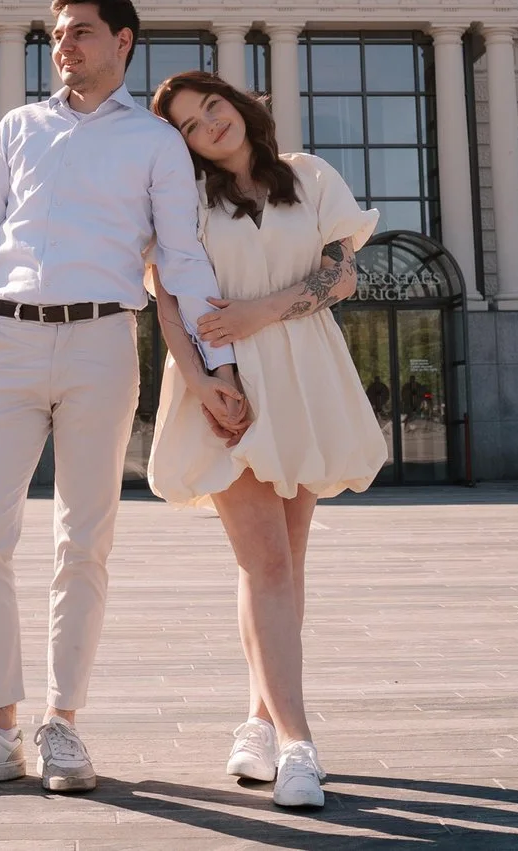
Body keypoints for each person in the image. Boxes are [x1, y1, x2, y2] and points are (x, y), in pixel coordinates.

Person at [0, 0, 250, 796]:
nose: (64, 45)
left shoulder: (155, 142)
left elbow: (183, 258)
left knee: (83, 539)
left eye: (82, 33)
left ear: (123, 41)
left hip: (103, 339)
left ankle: (62, 724)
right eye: (58, 34)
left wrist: (216, 365)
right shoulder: (18, 128)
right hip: (12, 342)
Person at [144, 69, 390, 811]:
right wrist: (200, 383)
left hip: (304, 372)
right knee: (266, 561)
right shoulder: (183, 199)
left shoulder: (310, 177)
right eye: (189, 123)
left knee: (286, 560)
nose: (207, 124)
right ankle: (297, 742)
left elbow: (340, 275)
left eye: (210, 105)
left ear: (238, 104)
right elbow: (168, 306)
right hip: (228, 383)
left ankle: (256, 718)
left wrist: (263, 311)